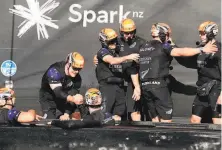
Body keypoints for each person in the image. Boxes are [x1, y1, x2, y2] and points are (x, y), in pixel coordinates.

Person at [139, 22, 218, 123]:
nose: (168, 37)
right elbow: (180, 52)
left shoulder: (143, 46)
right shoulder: (164, 46)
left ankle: (155, 138)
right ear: (163, 34)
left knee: (155, 119)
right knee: (166, 120)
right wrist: (201, 49)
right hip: (159, 86)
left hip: (145, 86)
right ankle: (164, 138)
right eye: (168, 35)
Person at [95, 28, 139, 121]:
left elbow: (131, 68)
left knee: (119, 114)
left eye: (115, 40)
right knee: (105, 114)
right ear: (104, 42)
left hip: (120, 87)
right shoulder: (102, 52)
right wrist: (128, 57)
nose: (114, 43)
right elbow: (112, 61)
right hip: (107, 87)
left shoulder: (119, 52)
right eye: (111, 42)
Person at [188, 21, 221, 124]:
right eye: (200, 33)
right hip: (202, 88)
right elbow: (187, 62)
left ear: (210, 33)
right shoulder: (201, 49)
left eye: (203, 33)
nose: (200, 36)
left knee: (217, 121)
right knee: (194, 120)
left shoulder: (219, 49)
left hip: (216, 89)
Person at [39, 52, 85, 120]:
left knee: (72, 116)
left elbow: (73, 95)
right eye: (75, 68)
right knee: (50, 121)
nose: (77, 71)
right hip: (48, 97)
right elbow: (58, 92)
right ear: (68, 64)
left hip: (63, 98)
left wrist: (66, 114)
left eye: (79, 69)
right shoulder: (54, 71)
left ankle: (61, 116)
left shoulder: (77, 78)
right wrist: (73, 99)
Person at [118, 18, 146, 121]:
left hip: (134, 80)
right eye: (126, 33)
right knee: (118, 111)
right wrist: (96, 59)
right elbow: (107, 54)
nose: (128, 35)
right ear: (121, 31)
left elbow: (148, 61)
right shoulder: (116, 42)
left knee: (135, 111)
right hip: (119, 80)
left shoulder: (141, 43)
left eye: (131, 33)